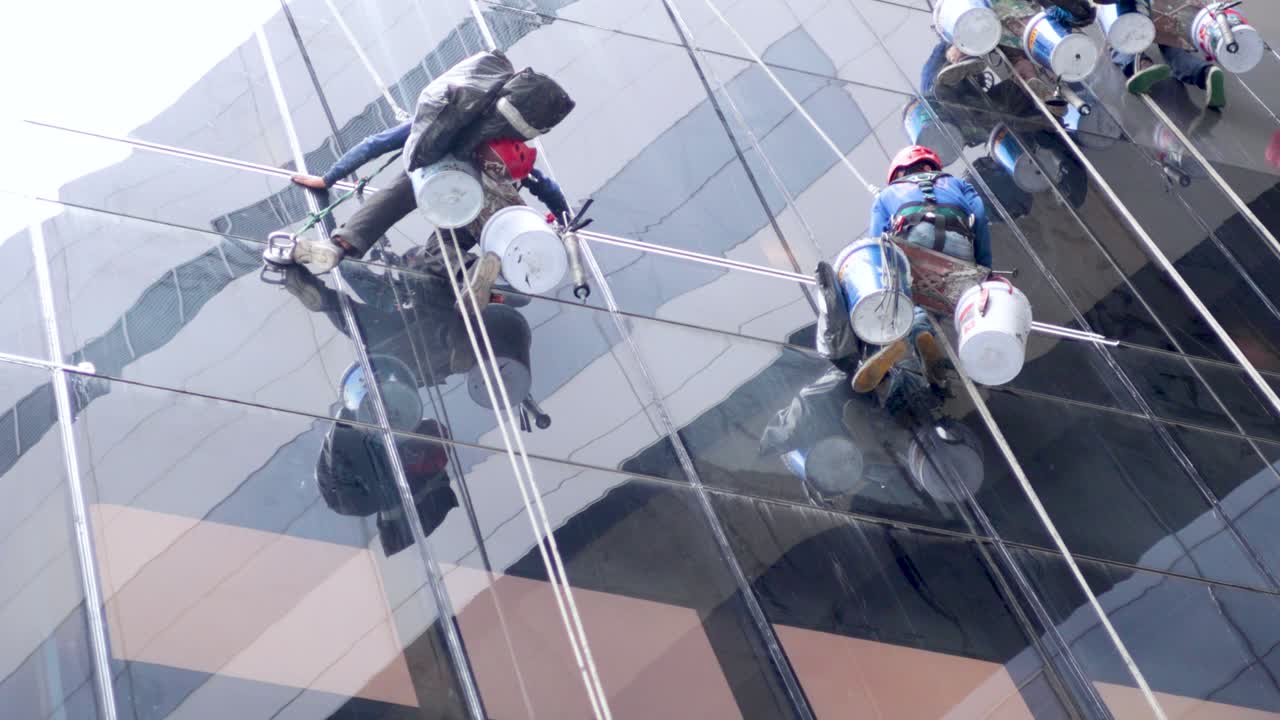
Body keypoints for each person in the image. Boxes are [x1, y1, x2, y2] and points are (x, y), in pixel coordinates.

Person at [284, 50, 575, 292]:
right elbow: (545, 186)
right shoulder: (502, 143)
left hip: (446, 189)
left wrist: (328, 178)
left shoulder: (439, 127)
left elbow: (374, 144)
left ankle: (339, 246)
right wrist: (566, 220)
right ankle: (475, 275)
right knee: (445, 245)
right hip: (486, 211)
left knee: (412, 199)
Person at [816, 145, 991, 395]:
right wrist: (986, 269)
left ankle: (888, 343)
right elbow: (981, 218)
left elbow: (877, 249)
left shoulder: (888, 194)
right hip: (959, 243)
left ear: (899, 173)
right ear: (930, 167)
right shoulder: (958, 184)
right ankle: (922, 336)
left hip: (915, 237)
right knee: (937, 301)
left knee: (894, 295)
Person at [1113, 45, 1225, 109]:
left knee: (1119, 43)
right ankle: (1205, 73)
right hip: (1160, 8)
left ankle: (1143, 66)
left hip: (1127, 13)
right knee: (1170, 44)